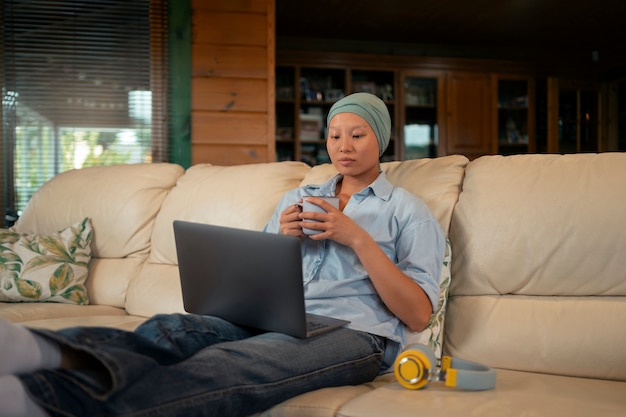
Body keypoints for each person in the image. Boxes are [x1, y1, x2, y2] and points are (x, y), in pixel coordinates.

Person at [0, 92, 445, 417]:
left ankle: (38, 400)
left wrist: (359, 240)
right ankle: (40, 350)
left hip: (355, 333)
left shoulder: (407, 211)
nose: (343, 146)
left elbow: (419, 315)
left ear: (380, 139)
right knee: (173, 330)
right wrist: (285, 241)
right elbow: (261, 277)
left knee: (232, 365)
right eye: (334, 135)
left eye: (357, 135)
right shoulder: (300, 197)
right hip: (271, 316)